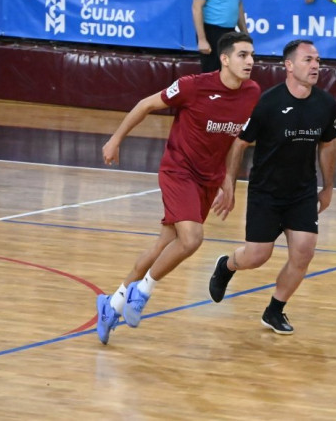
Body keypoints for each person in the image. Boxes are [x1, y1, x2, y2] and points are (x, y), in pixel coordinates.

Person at [96, 32, 261, 345]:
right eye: (243, 55)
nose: (250, 61)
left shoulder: (252, 92)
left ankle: (112, 304)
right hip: (178, 171)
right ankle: (141, 292)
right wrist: (115, 139)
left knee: (164, 245)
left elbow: (234, 139)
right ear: (225, 59)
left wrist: (228, 178)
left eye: (252, 55)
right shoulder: (193, 86)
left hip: (208, 179)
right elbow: (146, 104)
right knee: (192, 238)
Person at [209, 39, 336, 335]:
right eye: (308, 60)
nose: (315, 66)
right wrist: (229, 184)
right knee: (257, 256)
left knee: (304, 252)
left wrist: (328, 186)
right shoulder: (267, 102)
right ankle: (226, 266)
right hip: (266, 192)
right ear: (289, 65)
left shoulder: (326, 104)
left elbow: (328, 145)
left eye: (317, 60)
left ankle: (274, 310)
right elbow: (239, 144)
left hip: (302, 192)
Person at [192, 0, 249, 73]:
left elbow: (238, 4)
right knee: (212, 73)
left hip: (231, 32)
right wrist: (202, 40)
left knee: (230, 72)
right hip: (211, 32)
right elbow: (196, 7)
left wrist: (245, 34)